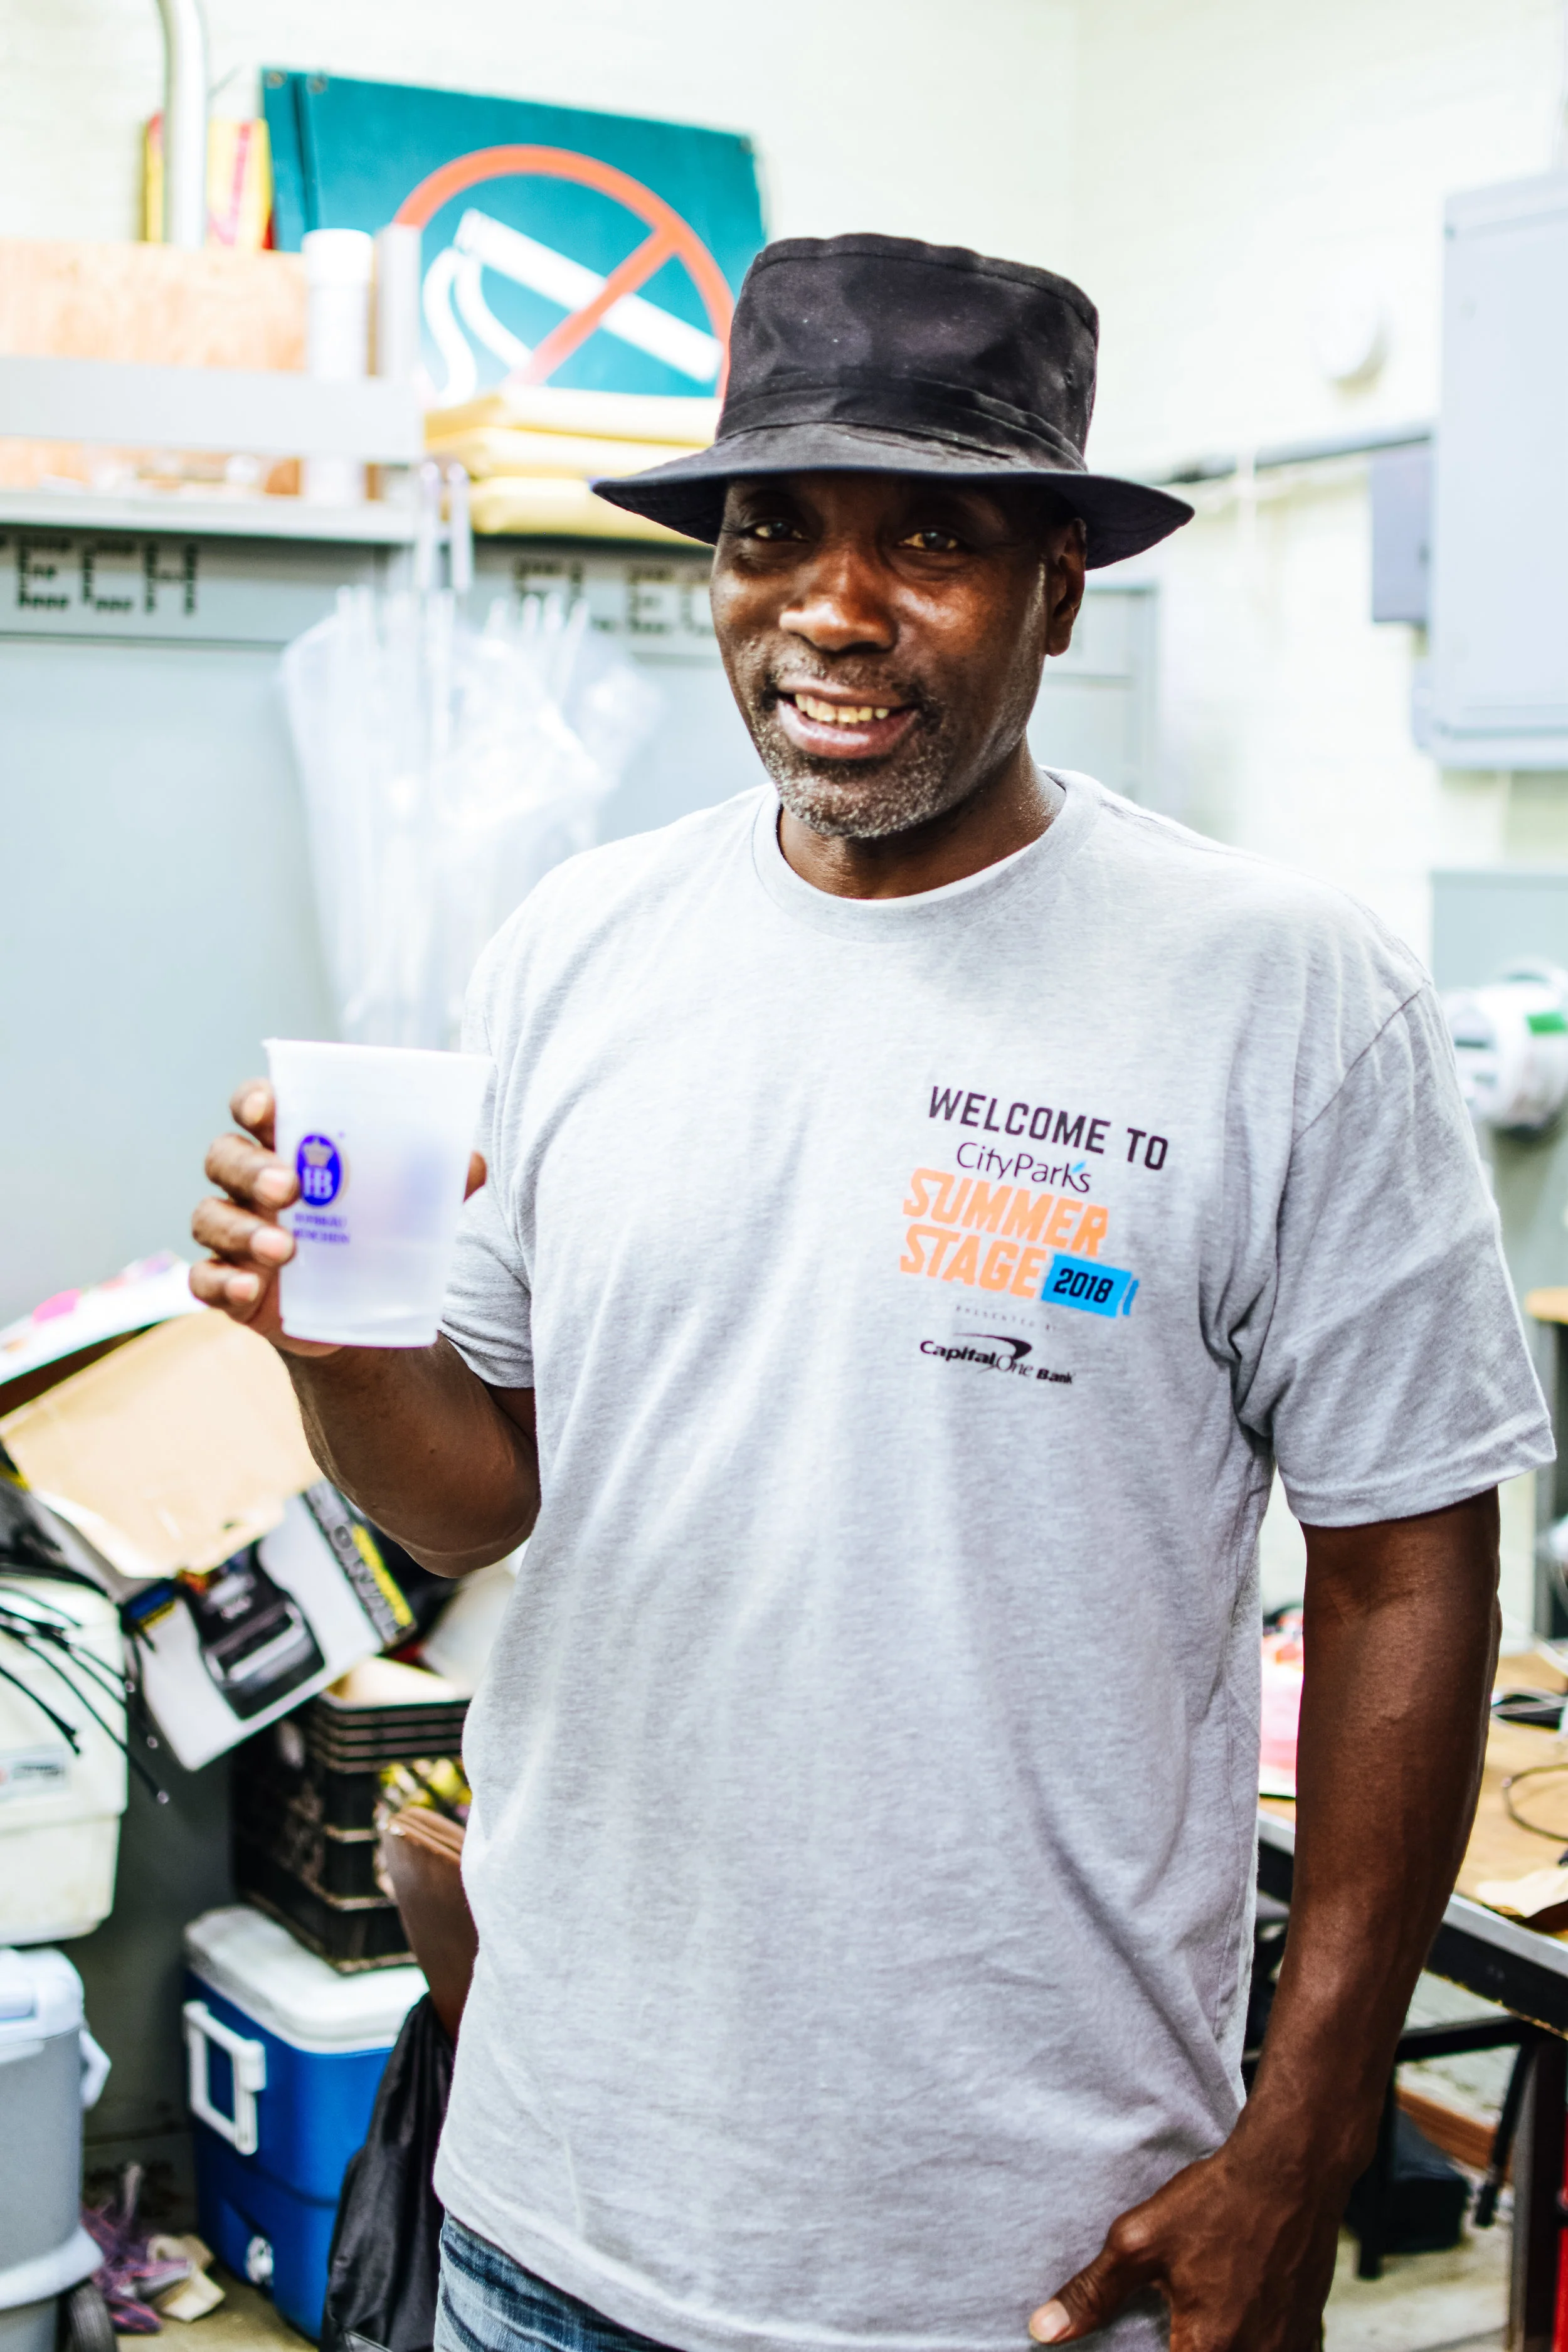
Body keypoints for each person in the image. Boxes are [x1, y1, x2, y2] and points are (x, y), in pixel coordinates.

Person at [193, 235, 1553, 2352]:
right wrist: (337, 1346)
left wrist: (1303, 2135)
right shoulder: (578, 946)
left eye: (929, 536)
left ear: (1059, 589)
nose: (832, 606)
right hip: (551, 2204)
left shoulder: (1280, 991)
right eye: (772, 532)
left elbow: (1409, 1565)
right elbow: (477, 1500)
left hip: (1025, 2248)